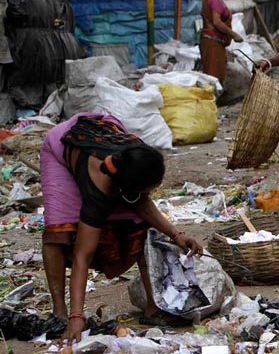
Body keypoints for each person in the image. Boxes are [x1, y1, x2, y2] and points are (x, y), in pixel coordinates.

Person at [40, 113, 203, 347]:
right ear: (124, 187)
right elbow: (82, 255)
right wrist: (78, 317)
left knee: (139, 227)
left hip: (104, 140)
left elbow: (142, 203)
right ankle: (60, 311)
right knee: (59, 231)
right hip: (61, 149)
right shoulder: (99, 184)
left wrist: (177, 235)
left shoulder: (137, 156)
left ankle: (153, 306)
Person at [199, 0, 243, 84]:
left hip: (210, 41)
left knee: (211, 74)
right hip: (213, 42)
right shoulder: (214, 0)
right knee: (214, 76)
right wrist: (234, 34)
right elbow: (217, 22)